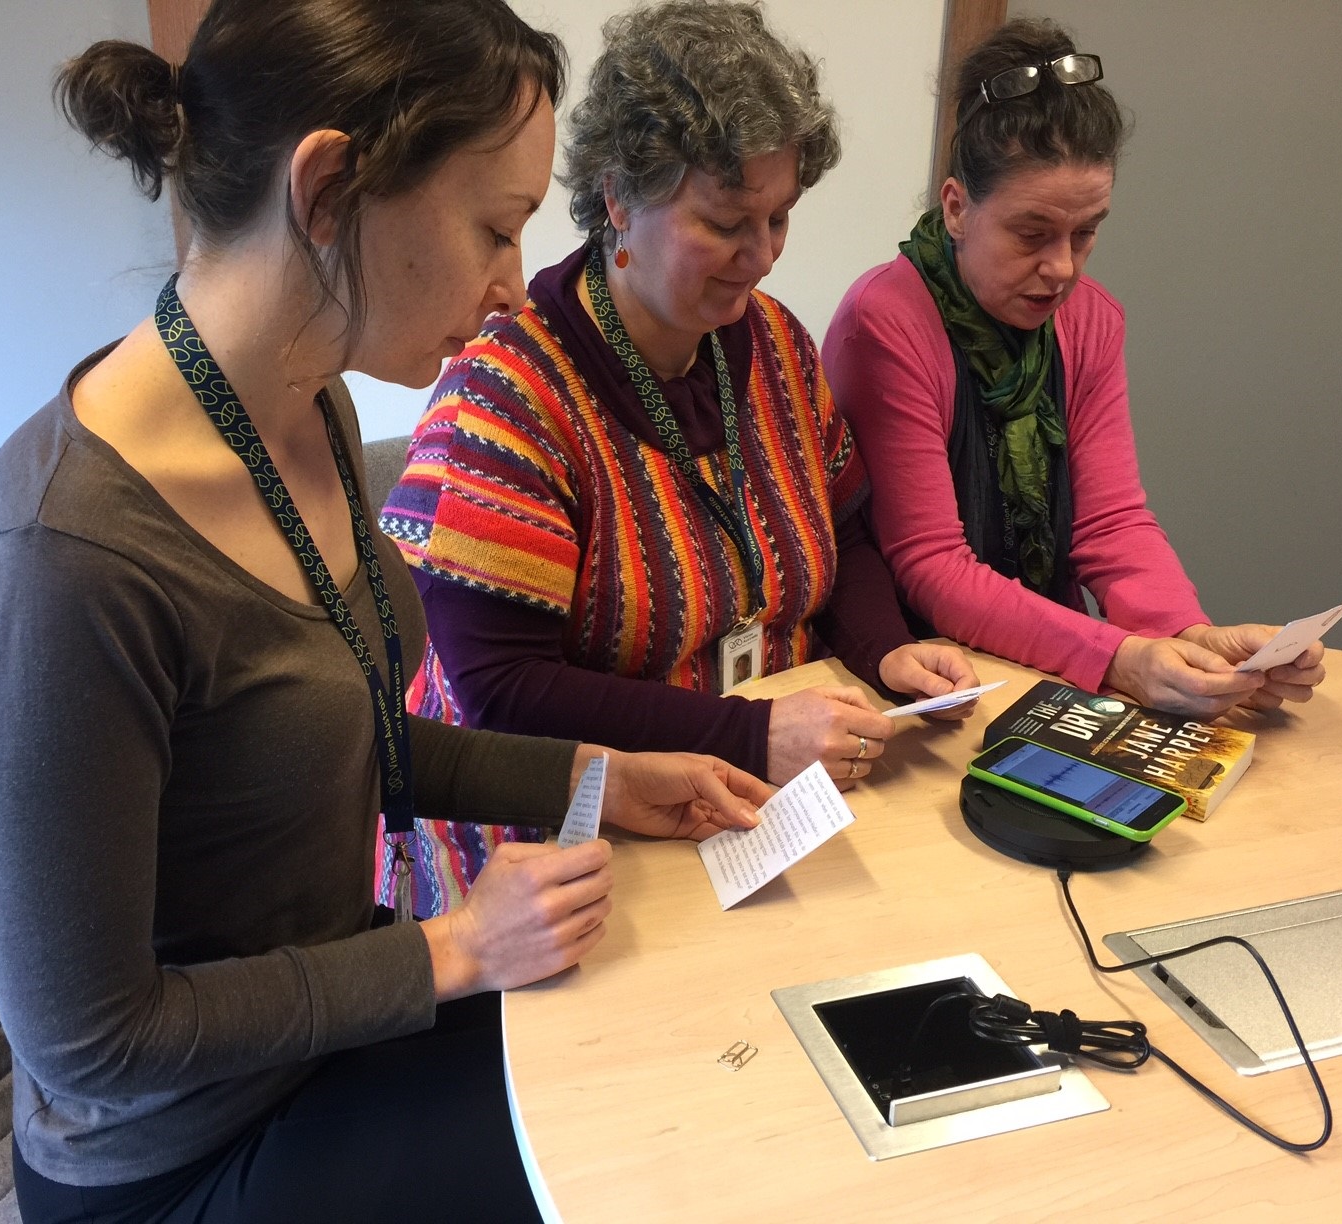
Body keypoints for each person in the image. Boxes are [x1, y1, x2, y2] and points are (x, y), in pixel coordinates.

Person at [0, 3, 770, 1220]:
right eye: (495, 228)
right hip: (174, 1156)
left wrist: (599, 776)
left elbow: (341, 736)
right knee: (650, 1156)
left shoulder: (306, 406)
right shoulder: (65, 559)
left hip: (327, 1044)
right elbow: (90, 1042)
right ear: (330, 187)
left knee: (683, 1038)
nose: (511, 287)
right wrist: (454, 952)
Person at [379, 0, 979, 916]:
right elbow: (502, 691)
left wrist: (887, 653)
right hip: (553, 860)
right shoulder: (505, 397)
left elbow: (849, 533)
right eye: (728, 221)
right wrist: (748, 732)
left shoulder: (774, 344)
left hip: (753, 812)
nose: (764, 256)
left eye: (781, 217)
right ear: (620, 196)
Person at [822, 17, 1327, 721]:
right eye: (1032, 234)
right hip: (927, 681)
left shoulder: (1089, 320)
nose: (1062, 268)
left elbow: (1111, 524)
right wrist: (1120, 657)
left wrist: (1189, 635)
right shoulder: (887, 323)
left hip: (1051, 656)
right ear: (957, 207)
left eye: (1086, 233)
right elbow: (931, 564)